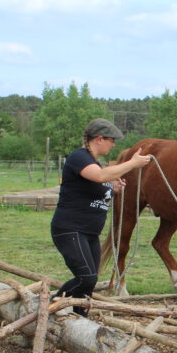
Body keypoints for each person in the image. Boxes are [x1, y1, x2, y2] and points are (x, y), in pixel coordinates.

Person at [50, 118, 152, 316]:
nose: (113, 144)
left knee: (90, 281)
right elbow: (100, 176)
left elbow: (98, 185)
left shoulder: (94, 162)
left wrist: (113, 189)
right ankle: (51, 306)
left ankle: (80, 319)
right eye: (111, 140)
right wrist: (132, 163)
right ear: (99, 138)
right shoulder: (79, 157)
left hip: (89, 232)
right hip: (71, 229)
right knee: (85, 278)